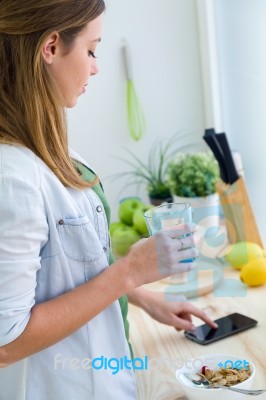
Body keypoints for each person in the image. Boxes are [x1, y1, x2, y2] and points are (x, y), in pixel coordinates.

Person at [0, 1, 217, 399]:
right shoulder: (11, 178)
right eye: (91, 49)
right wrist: (129, 271)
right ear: (50, 47)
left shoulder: (52, 150)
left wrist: (142, 297)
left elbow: (62, 270)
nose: (96, 67)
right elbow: (6, 343)